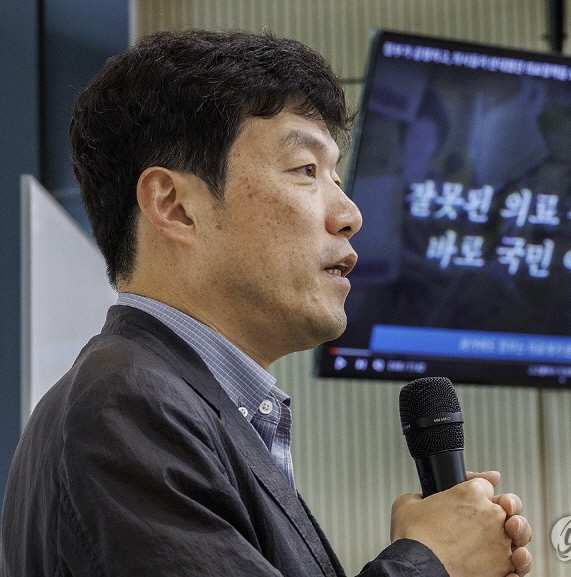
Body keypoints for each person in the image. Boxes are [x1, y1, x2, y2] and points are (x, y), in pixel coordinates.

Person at [1, 29, 532, 577]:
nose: (350, 214)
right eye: (306, 170)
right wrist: (432, 560)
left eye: (336, 176)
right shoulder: (129, 404)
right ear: (175, 206)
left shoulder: (174, 397)